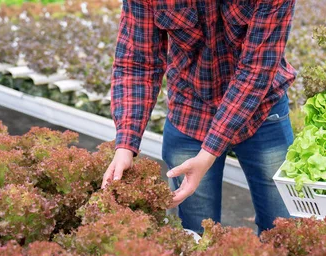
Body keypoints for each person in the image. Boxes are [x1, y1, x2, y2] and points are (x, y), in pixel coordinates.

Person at [103, 0, 298, 234]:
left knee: (283, 228)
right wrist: (125, 145)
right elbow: (137, 62)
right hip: (190, 109)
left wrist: (208, 153)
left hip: (261, 106)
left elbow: (256, 70)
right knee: (195, 233)